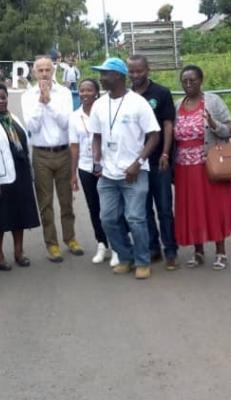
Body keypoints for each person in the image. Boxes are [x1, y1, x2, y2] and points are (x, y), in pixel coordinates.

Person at [89, 58, 161, 280]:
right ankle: (126, 256)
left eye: (105, 74)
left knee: (135, 218)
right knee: (108, 219)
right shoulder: (99, 104)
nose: (101, 78)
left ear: (118, 76)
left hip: (135, 173)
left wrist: (137, 163)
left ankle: (142, 261)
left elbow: (154, 135)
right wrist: (97, 160)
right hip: (108, 175)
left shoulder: (138, 103)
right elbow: (97, 137)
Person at [173, 65, 231, 271]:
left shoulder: (212, 101)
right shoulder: (177, 104)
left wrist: (213, 123)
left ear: (201, 81)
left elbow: (230, 129)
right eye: (185, 81)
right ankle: (198, 251)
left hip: (208, 166)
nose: (188, 84)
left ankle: (220, 252)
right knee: (191, 209)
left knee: (214, 207)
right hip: (184, 168)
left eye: (193, 80)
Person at [22, 56, 83, 262]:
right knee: (45, 203)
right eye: (40, 70)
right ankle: (52, 244)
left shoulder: (64, 93)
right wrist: (41, 101)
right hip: (41, 154)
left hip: (63, 152)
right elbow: (32, 127)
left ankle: (70, 238)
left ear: (53, 71)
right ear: (34, 72)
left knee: (66, 200)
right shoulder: (28, 96)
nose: (45, 74)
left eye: (48, 69)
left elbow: (66, 123)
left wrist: (50, 102)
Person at [0, 83, 41, 270]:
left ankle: (19, 252)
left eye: (3, 97)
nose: (1, 101)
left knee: (19, 216)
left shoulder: (13, 118)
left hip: (20, 173)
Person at [129, 54, 178, 270]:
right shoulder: (126, 96)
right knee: (143, 209)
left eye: (139, 71)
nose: (135, 75)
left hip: (159, 161)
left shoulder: (161, 93)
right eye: (131, 71)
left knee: (165, 208)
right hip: (137, 163)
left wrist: (166, 154)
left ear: (148, 70)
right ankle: (153, 248)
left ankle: (171, 250)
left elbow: (167, 125)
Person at [70, 79, 115, 265]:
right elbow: (74, 147)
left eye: (89, 90)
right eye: (82, 90)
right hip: (86, 168)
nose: (85, 94)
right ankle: (102, 244)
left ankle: (118, 245)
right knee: (94, 208)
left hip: (107, 167)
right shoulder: (74, 117)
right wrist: (73, 174)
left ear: (97, 92)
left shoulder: (104, 112)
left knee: (112, 208)